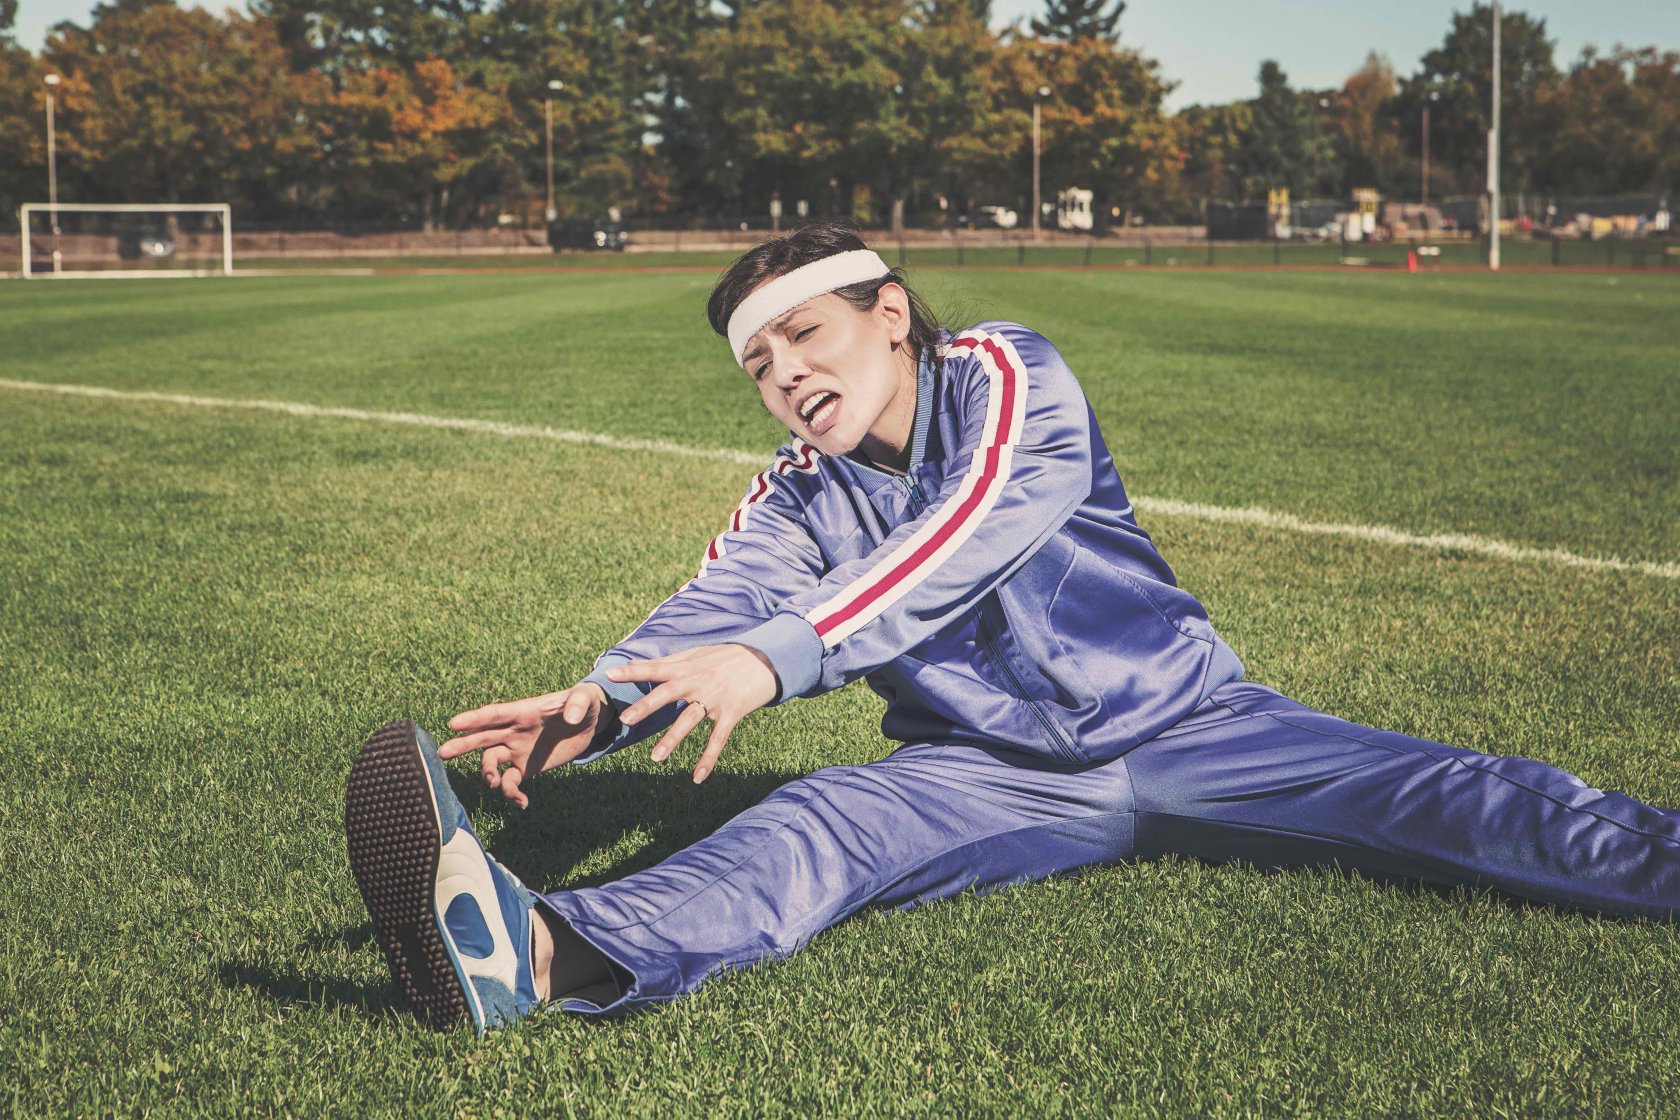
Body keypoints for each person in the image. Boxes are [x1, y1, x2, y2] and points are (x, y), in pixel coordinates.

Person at [344, 221, 1680, 1034]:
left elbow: (973, 527)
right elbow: (717, 606)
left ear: (886, 313)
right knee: (811, 830)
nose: (787, 376)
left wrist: (777, 657)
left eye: (805, 336)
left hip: (1195, 725)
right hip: (981, 776)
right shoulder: (794, 494)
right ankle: (530, 953)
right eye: (759, 364)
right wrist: (603, 701)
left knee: (1457, 800)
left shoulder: (1005, 374)